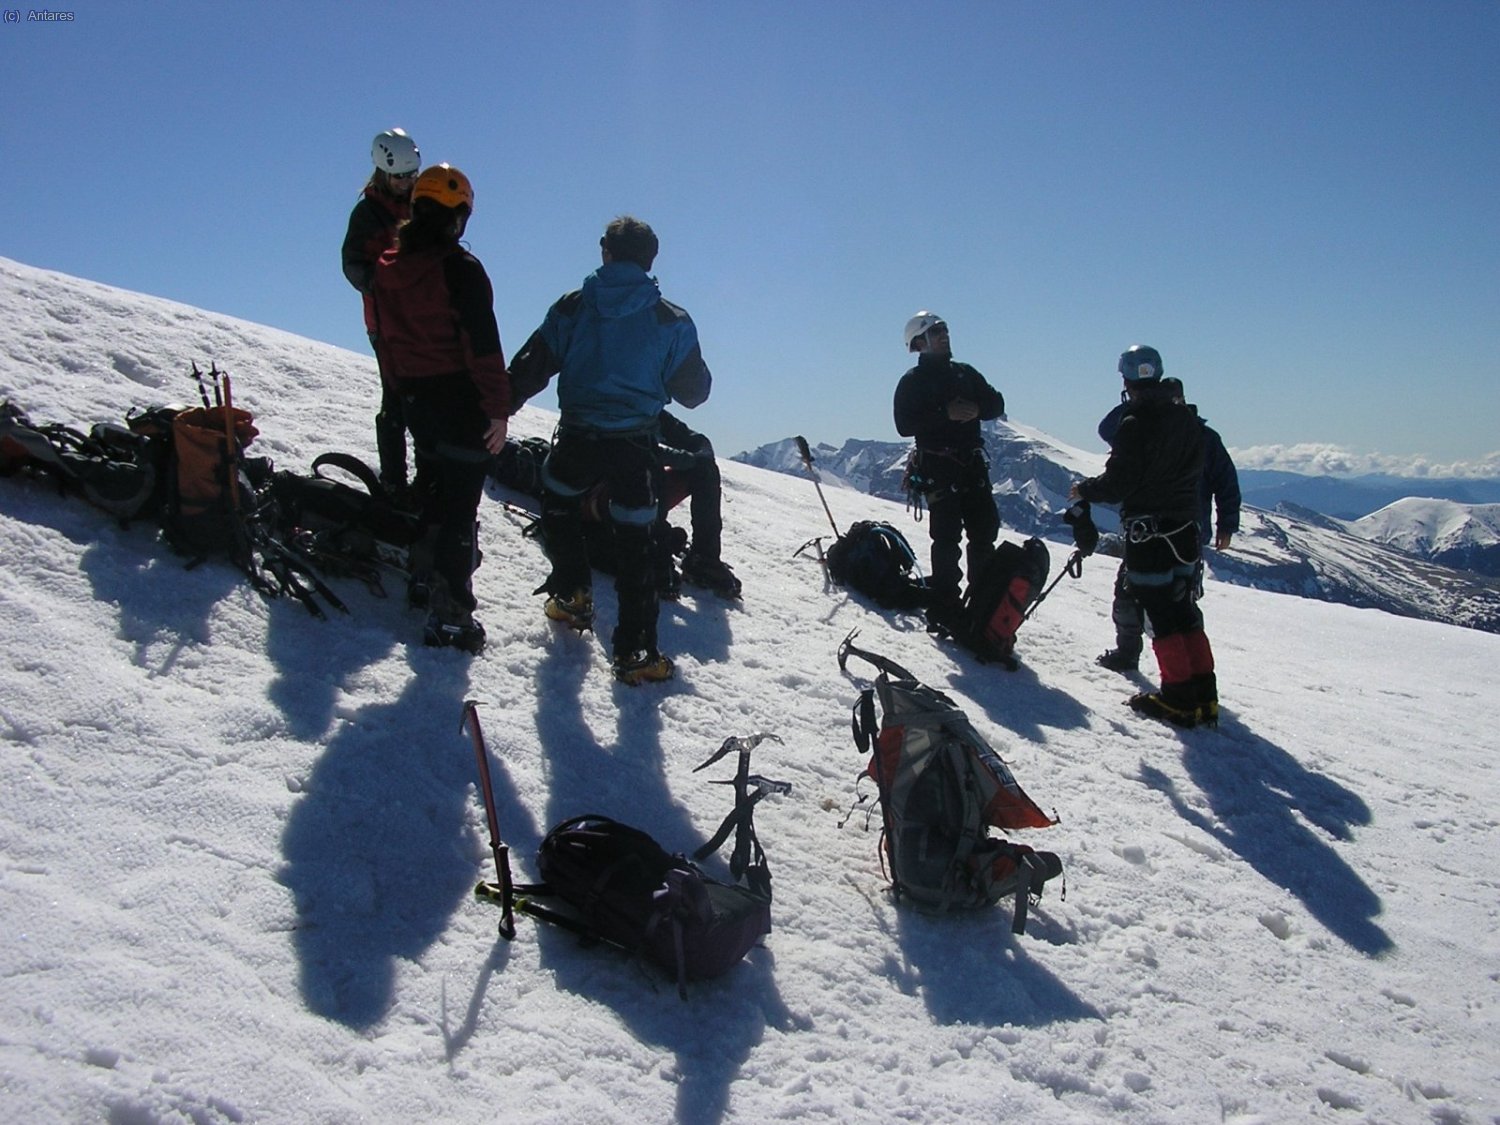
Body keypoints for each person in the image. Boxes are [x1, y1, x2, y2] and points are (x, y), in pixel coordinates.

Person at [507, 216, 711, 685]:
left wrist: (497, 410)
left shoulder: (573, 307)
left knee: (558, 504)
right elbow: (694, 393)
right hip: (635, 445)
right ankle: (636, 653)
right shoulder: (670, 320)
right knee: (637, 543)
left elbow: (530, 367)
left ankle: (572, 593)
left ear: (605, 251)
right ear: (651, 260)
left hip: (577, 436)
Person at [370, 163, 510, 653]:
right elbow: (483, 347)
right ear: (459, 217)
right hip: (461, 403)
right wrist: (498, 409)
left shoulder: (387, 269)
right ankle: (451, 615)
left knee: (431, 488)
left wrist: (402, 392)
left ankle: (423, 580)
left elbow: (384, 338)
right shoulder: (461, 270)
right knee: (459, 507)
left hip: (415, 399)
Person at [1070, 346, 1218, 727]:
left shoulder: (1136, 423)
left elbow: (1120, 481)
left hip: (1150, 531)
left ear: (1127, 381)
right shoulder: (1187, 421)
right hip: (1186, 529)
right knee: (1183, 609)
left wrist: (1084, 490)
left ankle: (1178, 697)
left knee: (1160, 610)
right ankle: (1203, 695)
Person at [1095, 375, 1241, 672]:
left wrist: (1228, 522)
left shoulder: (1200, 436)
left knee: (1172, 600)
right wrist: (1136, 401)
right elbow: (1107, 429)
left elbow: (1225, 480)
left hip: (1175, 531)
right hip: (1165, 530)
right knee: (1146, 594)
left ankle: (1179, 675)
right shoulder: (1149, 428)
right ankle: (1163, 666)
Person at [892, 312, 1004, 637]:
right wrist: (947, 414)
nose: (943, 335)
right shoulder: (912, 382)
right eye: (935, 332)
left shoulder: (965, 374)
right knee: (946, 538)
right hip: (940, 469)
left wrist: (979, 409)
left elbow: (996, 403)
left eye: (944, 330)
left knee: (983, 535)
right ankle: (945, 607)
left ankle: (980, 605)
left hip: (969, 466)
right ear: (919, 343)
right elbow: (904, 425)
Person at [342, 127, 424, 503]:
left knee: (425, 401)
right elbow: (354, 266)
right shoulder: (368, 213)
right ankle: (393, 483)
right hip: (387, 326)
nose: (407, 183)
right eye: (400, 177)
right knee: (396, 401)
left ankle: (425, 482)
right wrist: (389, 280)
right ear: (382, 173)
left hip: (422, 323)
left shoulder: (422, 204)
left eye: (411, 176)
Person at [655, 409, 740, 599]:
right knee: (639, 466)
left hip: (634, 490)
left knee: (704, 469)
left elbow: (694, 440)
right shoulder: (587, 396)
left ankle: (704, 559)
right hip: (594, 495)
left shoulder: (643, 405)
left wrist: (699, 457)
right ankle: (649, 546)